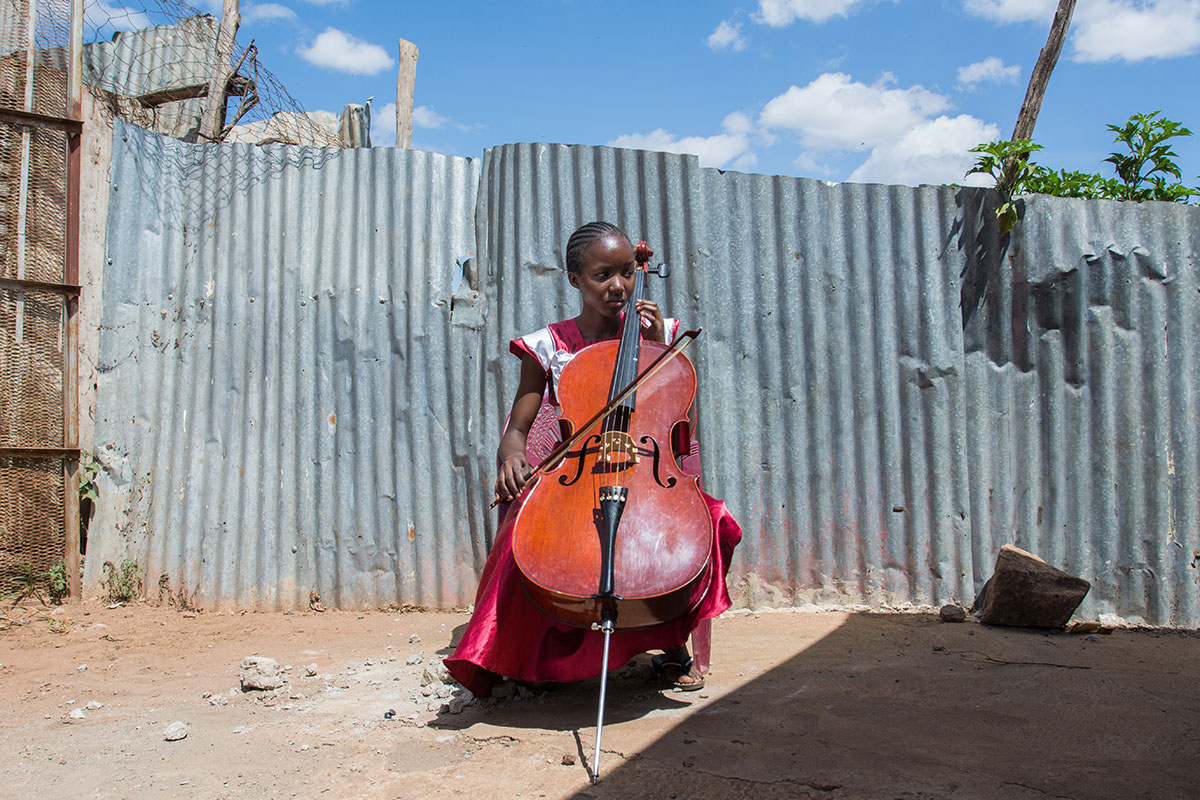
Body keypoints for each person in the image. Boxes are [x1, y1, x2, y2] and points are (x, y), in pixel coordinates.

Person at [444, 221, 742, 697]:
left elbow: (674, 416)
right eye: (603, 275)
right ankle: (513, 652)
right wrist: (512, 457)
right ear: (575, 279)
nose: (618, 286)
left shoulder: (661, 334)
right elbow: (517, 431)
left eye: (627, 272)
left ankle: (669, 639)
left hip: (645, 472)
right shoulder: (549, 345)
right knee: (523, 530)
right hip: (577, 475)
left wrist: (656, 349)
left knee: (707, 522)